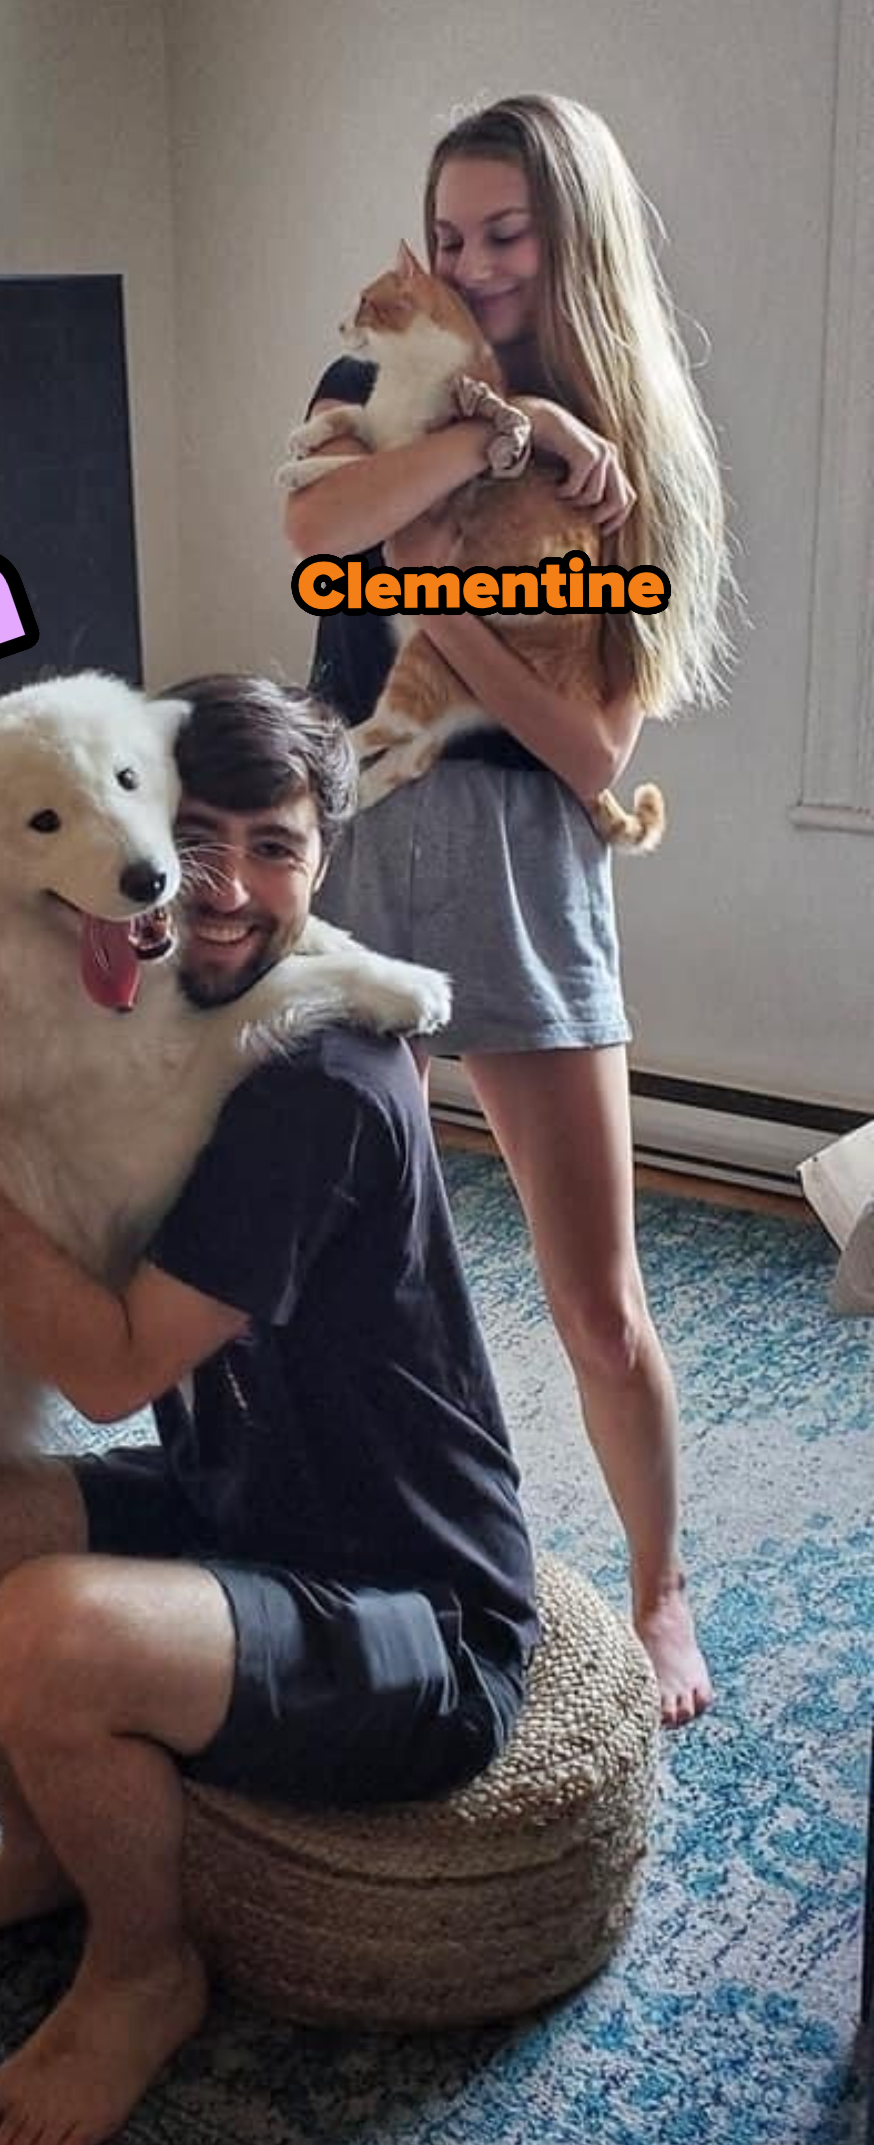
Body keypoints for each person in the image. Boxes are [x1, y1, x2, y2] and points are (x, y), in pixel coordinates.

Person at [0, 673, 539, 2145]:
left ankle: (145, 1968)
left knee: (46, 1635)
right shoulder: (164, 999)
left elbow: (106, 1371)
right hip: (239, 1498)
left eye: (274, 849)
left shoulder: (315, 1085)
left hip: (417, 1606)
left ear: (323, 862)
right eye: (191, 836)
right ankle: (39, 1850)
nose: (222, 888)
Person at [284, 92, 734, 1727]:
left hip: (525, 869)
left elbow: (594, 744)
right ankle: (408, 1552)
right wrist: (494, 441)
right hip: (361, 852)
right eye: (452, 234)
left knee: (596, 1298)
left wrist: (444, 606)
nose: (471, 270)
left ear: (573, 240)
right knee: (372, 1271)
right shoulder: (383, 373)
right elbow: (314, 530)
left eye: (508, 237)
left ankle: (662, 1590)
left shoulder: (641, 466)